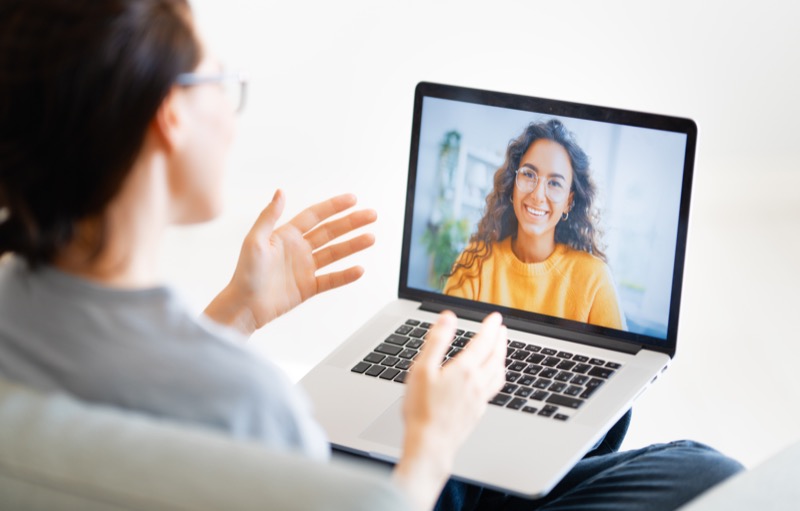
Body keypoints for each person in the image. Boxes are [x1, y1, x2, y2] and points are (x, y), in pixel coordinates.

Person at [0, 1, 741, 510]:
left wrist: (236, 312)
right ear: (170, 115)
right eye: (221, 79)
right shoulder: (254, 404)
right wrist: (431, 440)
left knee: (553, 447)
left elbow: (139, 411)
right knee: (706, 471)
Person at [443, 120, 626, 330]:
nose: (538, 195)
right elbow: (445, 340)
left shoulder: (595, 279)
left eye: (555, 183)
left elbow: (618, 361)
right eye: (529, 174)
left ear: (569, 201)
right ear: (513, 183)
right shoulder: (476, 260)